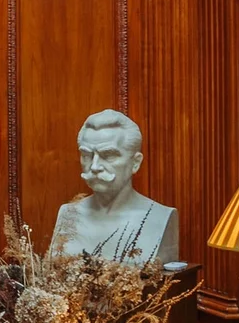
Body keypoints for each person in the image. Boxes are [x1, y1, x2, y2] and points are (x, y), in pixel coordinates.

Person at [50, 109, 178, 263]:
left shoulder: (159, 217)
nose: (95, 166)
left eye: (108, 155)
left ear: (135, 163)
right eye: (87, 156)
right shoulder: (68, 214)